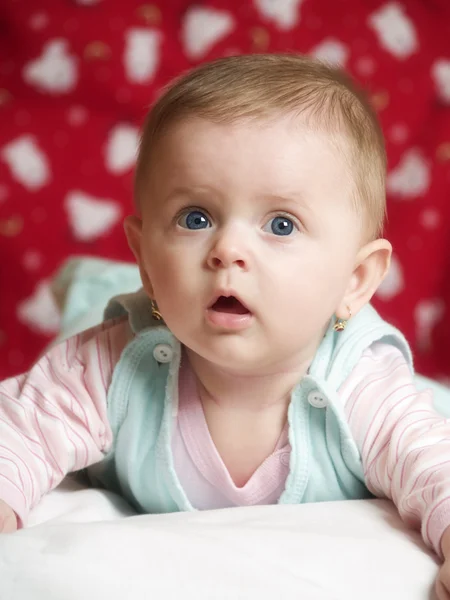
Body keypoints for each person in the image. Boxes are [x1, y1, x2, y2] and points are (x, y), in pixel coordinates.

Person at [1, 53, 450, 597]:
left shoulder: (363, 385)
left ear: (354, 280)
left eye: (281, 224)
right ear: (144, 258)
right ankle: (91, 286)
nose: (228, 249)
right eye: (196, 218)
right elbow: (20, 433)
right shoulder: (113, 362)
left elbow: (433, 468)